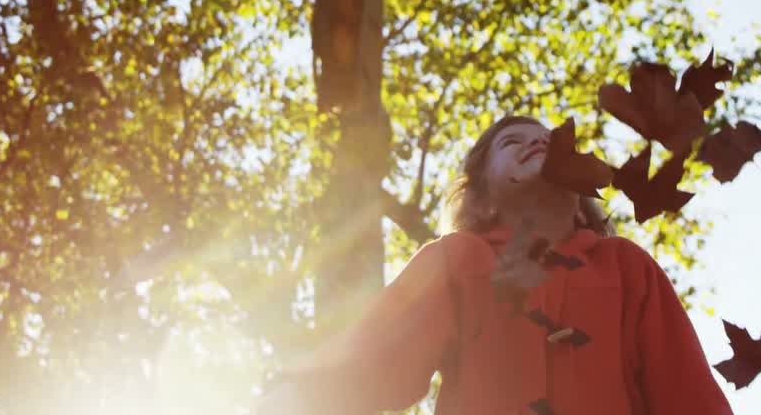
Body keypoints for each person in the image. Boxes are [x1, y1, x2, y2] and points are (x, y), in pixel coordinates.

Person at [257, 115, 733, 415]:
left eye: (548, 140)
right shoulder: (457, 258)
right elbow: (375, 357)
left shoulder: (626, 266)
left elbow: (686, 391)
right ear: (480, 195)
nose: (535, 143)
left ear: (581, 194)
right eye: (512, 142)